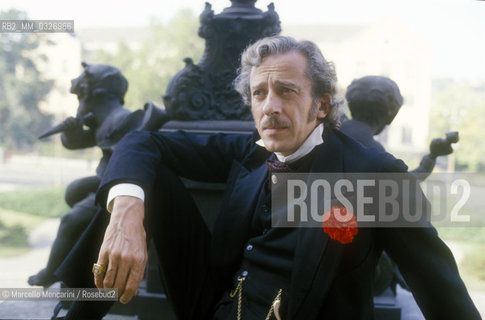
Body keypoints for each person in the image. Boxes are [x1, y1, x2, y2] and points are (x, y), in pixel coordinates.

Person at [62, 36, 480, 319]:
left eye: (286, 90)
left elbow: (439, 288)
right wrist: (127, 215)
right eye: (259, 94)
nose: (269, 106)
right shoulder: (251, 151)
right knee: (131, 189)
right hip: (213, 306)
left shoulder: (372, 174)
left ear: (321, 104)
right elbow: (141, 141)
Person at [28, 63, 167, 287]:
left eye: (81, 97)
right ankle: (81, 249)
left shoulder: (122, 120)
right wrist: (71, 133)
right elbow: (77, 142)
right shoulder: (104, 120)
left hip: (118, 187)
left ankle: (52, 273)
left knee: (71, 220)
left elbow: (130, 160)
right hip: (107, 180)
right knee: (73, 191)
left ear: (94, 94)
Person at [341, 75, 458, 181]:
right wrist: (433, 156)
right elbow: (407, 182)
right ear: (391, 113)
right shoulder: (372, 148)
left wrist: (432, 156)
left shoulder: (335, 127)